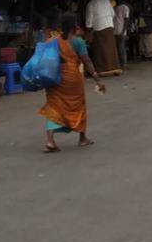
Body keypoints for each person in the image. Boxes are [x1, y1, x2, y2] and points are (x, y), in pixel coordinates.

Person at [39, 14, 105, 153]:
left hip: (54, 79)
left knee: (53, 108)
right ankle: (82, 138)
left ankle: (50, 141)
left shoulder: (53, 40)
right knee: (79, 107)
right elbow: (87, 61)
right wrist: (97, 79)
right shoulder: (78, 42)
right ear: (74, 27)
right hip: (73, 80)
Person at [85, 0, 122, 76]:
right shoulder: (106, 0)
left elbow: (89, 20)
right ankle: (114, 67)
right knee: (111, 48)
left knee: (100, 50)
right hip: (109, 26)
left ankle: (103, 69)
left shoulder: (91, 4)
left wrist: (89, 29)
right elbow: (113, 14)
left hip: (99, 28)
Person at [113, 0, 130, 69]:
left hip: (121, 30)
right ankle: (120, 63)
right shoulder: (114, 7)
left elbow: (126, 20)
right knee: (117, 48)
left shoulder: (124, 7)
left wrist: (123, 32)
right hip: (115, 30)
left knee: (121, 48)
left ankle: (124, 63)